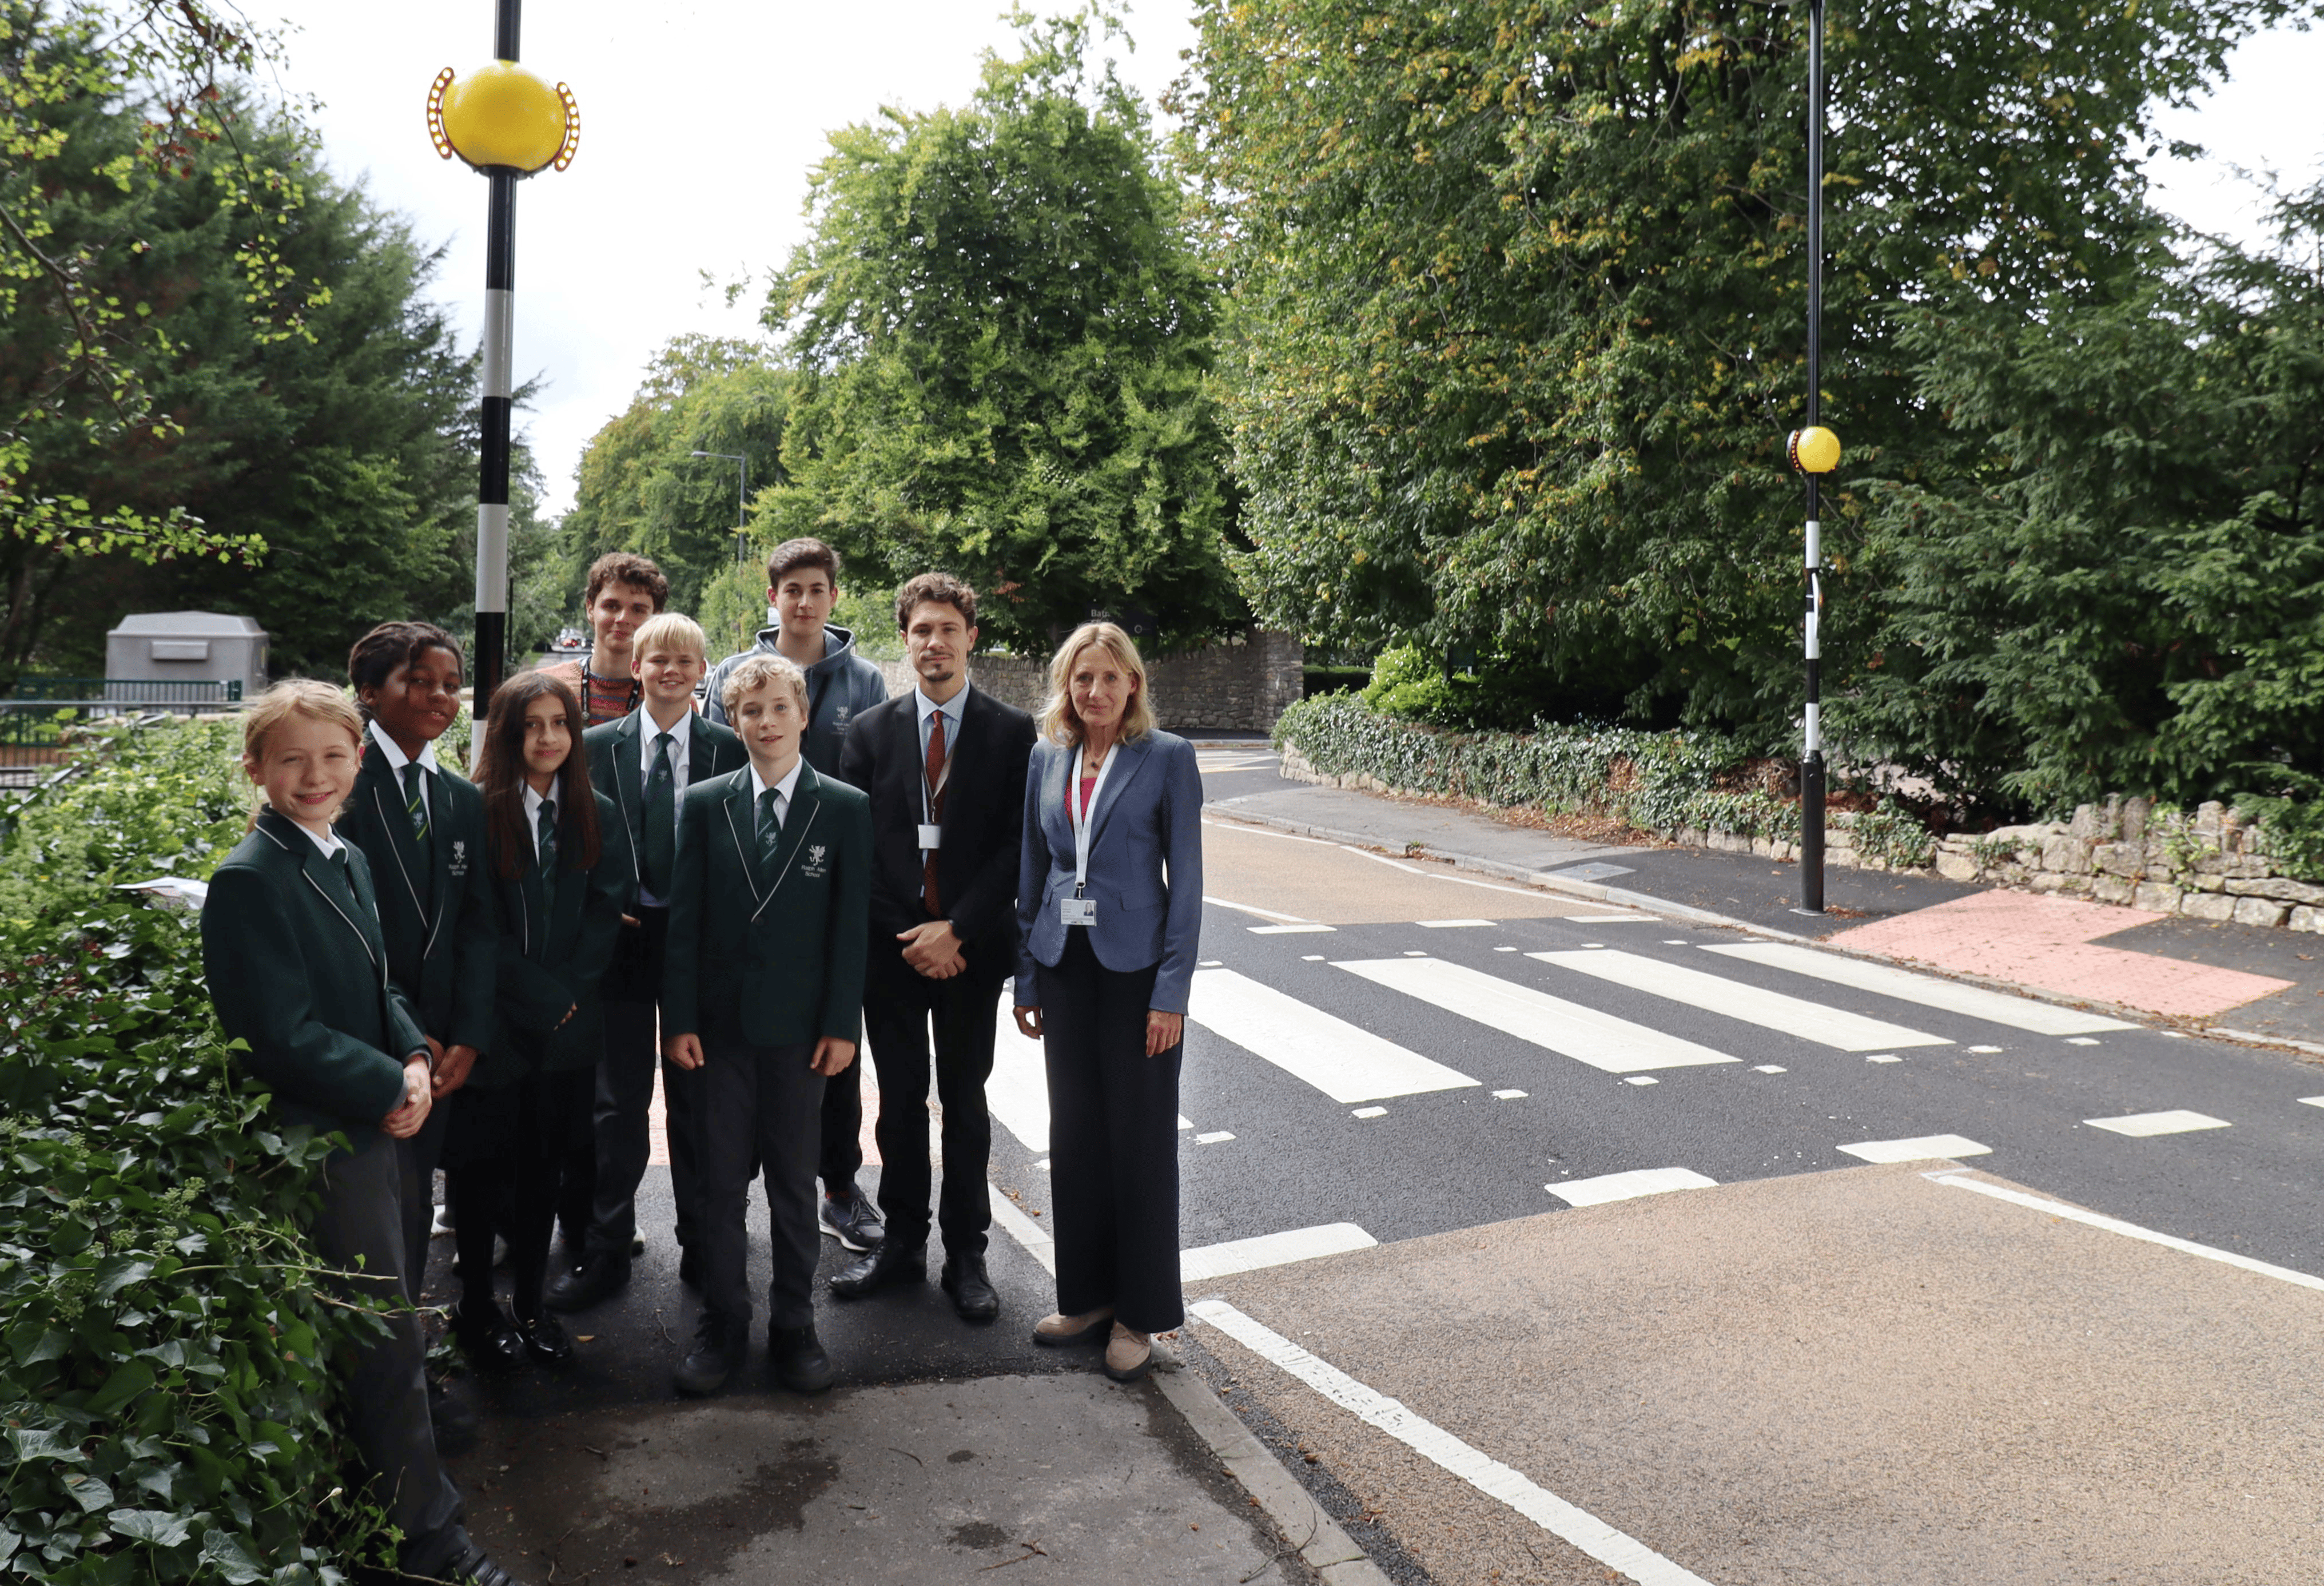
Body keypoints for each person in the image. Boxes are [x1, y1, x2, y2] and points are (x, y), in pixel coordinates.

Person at [201, 681, 519, 1586]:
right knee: (381, 1336)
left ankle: (395, 1500)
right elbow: (281, 1034)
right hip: (331, 1140)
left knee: (392, 1324)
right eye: (293, 759)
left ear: (357, 761)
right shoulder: (249, 879)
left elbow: (377, 985)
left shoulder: (342, 855)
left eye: (333, 757)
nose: (316, 775)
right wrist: (389, 1080)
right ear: (257, 768)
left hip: (383, 1122)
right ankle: (427, 1541)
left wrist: (414, 1053)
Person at [661, 654, 873, 1397]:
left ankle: (794, 1323)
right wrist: (678, 1018)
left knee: (792, 1181)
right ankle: (724, 1319)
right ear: (732, 719)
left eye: (780, 708)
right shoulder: (705, 802)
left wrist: (843, 1024)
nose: (766, 722)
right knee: (720, 1184)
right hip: (718, 1033)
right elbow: (683, 924)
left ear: (804, 714)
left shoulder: (843, 807)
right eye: (751, 711)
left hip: (800, 1034)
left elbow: (851, 930)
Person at [830, 574, 1034, 1320]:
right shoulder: (870, 733)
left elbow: (1018, 847)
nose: (935, 643)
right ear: (906, 638)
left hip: (971, 952)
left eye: (948, 628)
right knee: (900, 1105)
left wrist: (958, 929)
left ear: (971, 637)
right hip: (893, 955)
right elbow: (859, 849)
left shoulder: (1012, 732)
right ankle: (903, 1246)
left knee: (966, 1102)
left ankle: (968, 1257)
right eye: (921, 630)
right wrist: (912, 935)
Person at [1012, 622, 1203, 1383]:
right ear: (1067, 685)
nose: (1094, 692)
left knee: (1140, 1141)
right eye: (1081, 679)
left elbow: (1184, 886)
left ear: (1133, 685)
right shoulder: (1046, 755)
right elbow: (1034, 870)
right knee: (1078, 1134)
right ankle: (1086, 1296)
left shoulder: (1168, 759)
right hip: (1066, 966)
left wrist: (1171, 993)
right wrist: (1026, 975)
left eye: (1109, 678)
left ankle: (1138, 1312)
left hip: (1136, 975)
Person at [550, 612, 746, 1313]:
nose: (670, 670)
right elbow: (569, 840)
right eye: (657, 659)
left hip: (696, 945)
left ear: (702, 672)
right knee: (618, 1102)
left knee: (698, 1100)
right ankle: (608, 1246)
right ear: (635, 668)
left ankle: (702, 1242)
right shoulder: (594, 746)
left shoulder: (729, 748)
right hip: (621, 938)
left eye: (685, 661)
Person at [702, 538, 889, 1254]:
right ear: (772, 596)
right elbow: (716, 779)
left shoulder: (865, 681)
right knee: (742, 1058)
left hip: (827, 884)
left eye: (816, 588)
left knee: (834, 1052)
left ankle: (838, 1189)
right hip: (749, 891)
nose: (803, 600)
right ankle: (737, 1201)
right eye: (791, 589)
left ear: (832, 597)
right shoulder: (732, 675)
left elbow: (874, 785)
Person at [452, 674, 632, 1372]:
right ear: (507, 732)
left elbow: (603, 912)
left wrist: (564, 996)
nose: (548, 737)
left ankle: (530, 1304)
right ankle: (475, 1306)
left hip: (567, 1029)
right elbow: (476, 921)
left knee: (543, 1173)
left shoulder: (598, 811)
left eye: (560, 723)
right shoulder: (476, 810)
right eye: (532, 725)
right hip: (495, 1025)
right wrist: (533, 992)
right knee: (480, 1173)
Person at [340, 624, 495, 1306]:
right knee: (378, 1210)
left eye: (450, 684)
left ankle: (404, 1349)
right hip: (373, 1033)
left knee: (415, 1198)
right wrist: (408, 1036)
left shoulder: (460, 798)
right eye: (418, 680)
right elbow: (346, 933)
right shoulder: (340, 787)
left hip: (445, 1039)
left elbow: (478, 926)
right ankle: (383, 1367)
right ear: (370, 694)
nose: (439, 695)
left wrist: (467, 1034)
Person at [538, 551, 668, 727]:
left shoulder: (670, 699)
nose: (623, 618)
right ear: (590, 609)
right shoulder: (545, 687)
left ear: (656, 618)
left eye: (638, 610)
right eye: (612, 606)